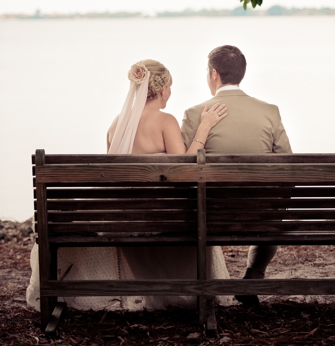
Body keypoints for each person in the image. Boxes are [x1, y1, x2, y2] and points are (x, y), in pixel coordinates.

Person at [26, 59, 232, 312]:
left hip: (120, 219)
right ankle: (192, 293)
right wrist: (204, 127)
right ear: (163, 89)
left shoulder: (116, 125)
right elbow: (186, 170)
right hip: (162, 220)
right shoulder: (165, 121)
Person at [180, 45, 292, 306]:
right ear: (241, 73)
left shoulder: (195, 114)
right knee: (272, 215)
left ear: (214, 74)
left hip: (209, 214)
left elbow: (183, 169)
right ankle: (253, 277)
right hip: (260, 215)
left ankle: (204, 290)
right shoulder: (270, 111)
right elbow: (288, 165)